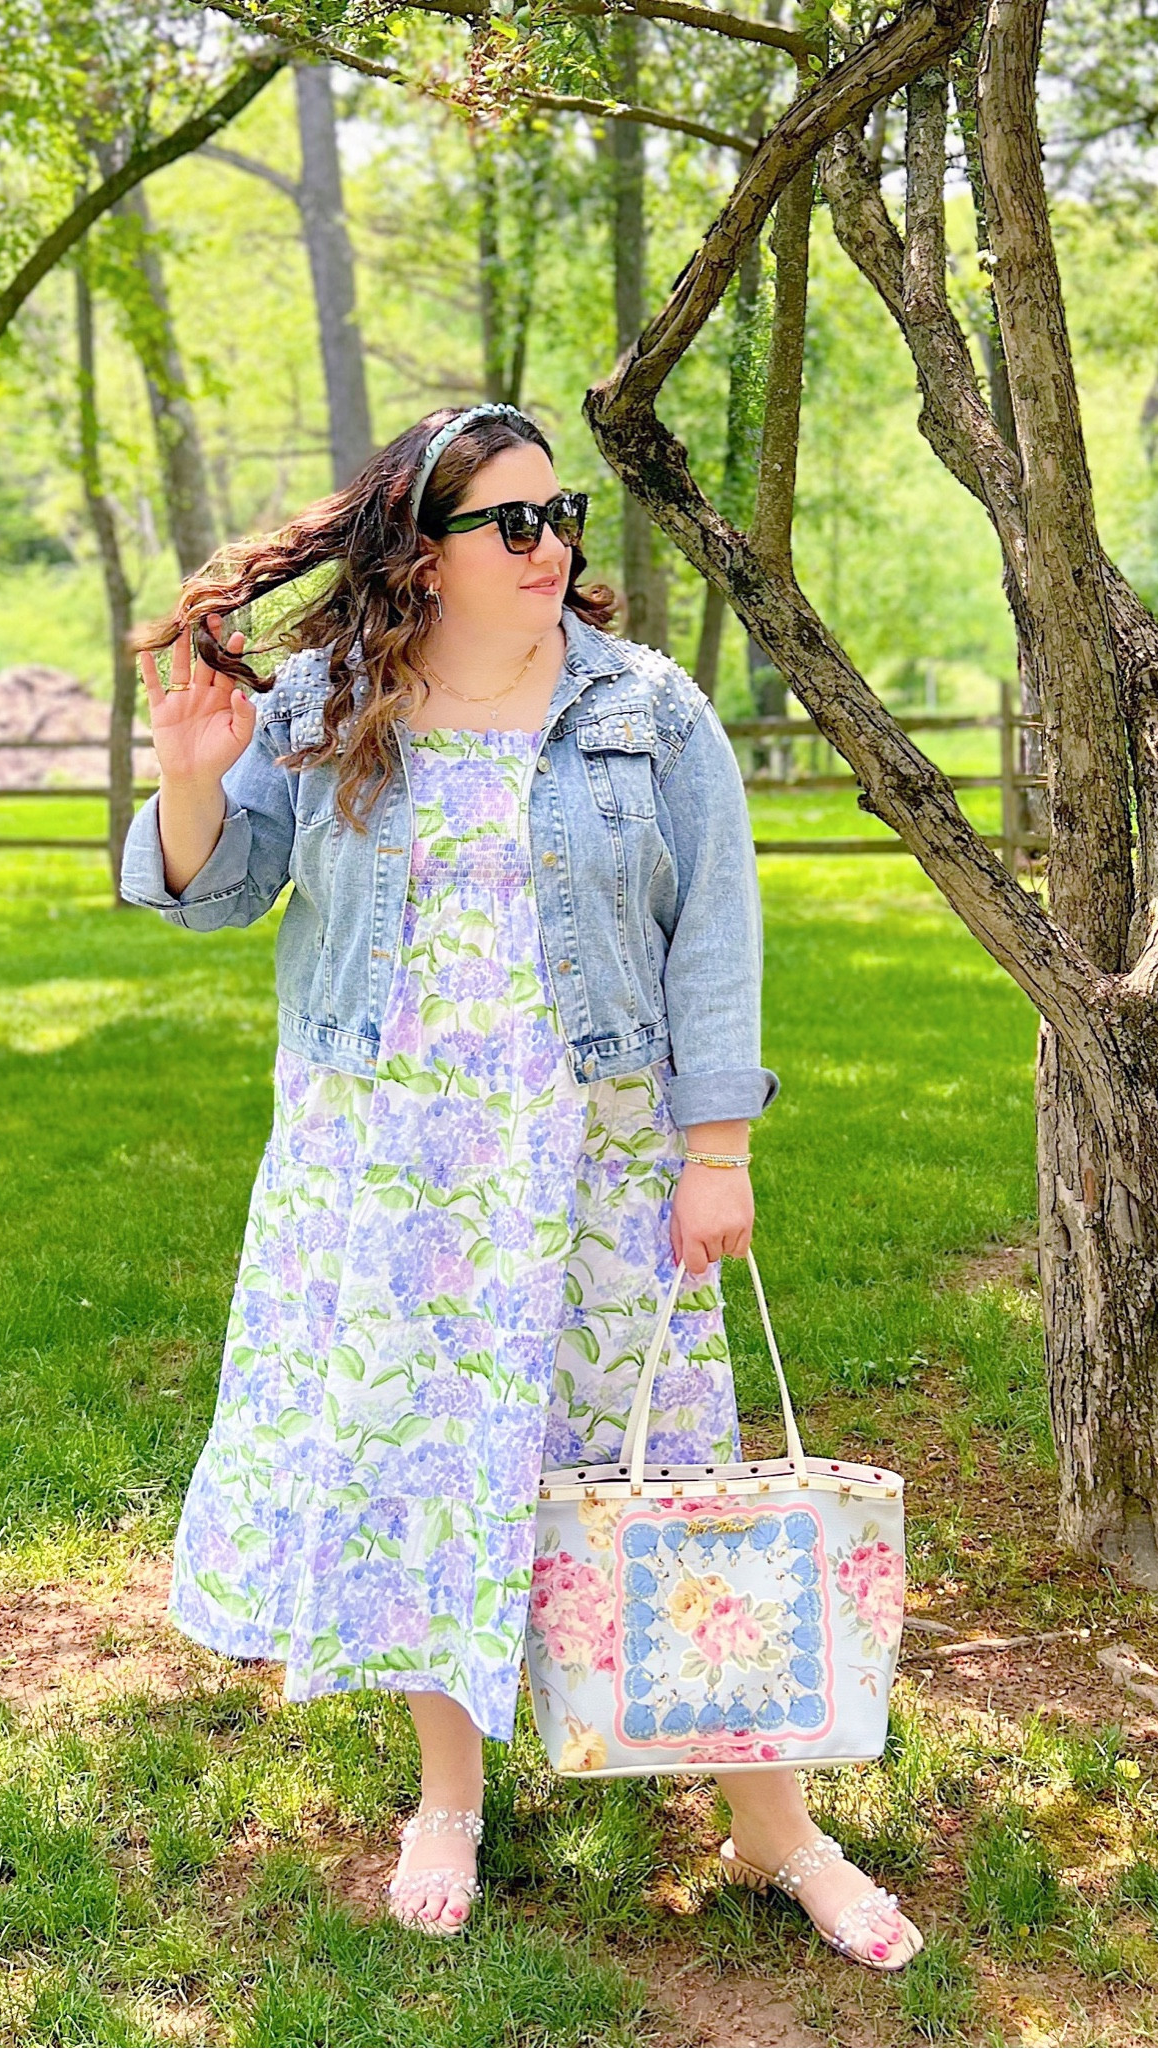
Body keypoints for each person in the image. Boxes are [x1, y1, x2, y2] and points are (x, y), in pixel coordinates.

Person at [121, 403, 923, 1970]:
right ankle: (446, 1793)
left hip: (600, 1156)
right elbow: (211, 895)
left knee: (672, 1465)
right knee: (430, 1461)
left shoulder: (647, 709)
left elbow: (717, 940)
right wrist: (187, 771)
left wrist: (716, 1149)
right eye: (511, 523)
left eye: (560, 514)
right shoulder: (329, 697)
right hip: (387, 1163)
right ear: (422, 553)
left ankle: (772, 1820)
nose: (549, 545)